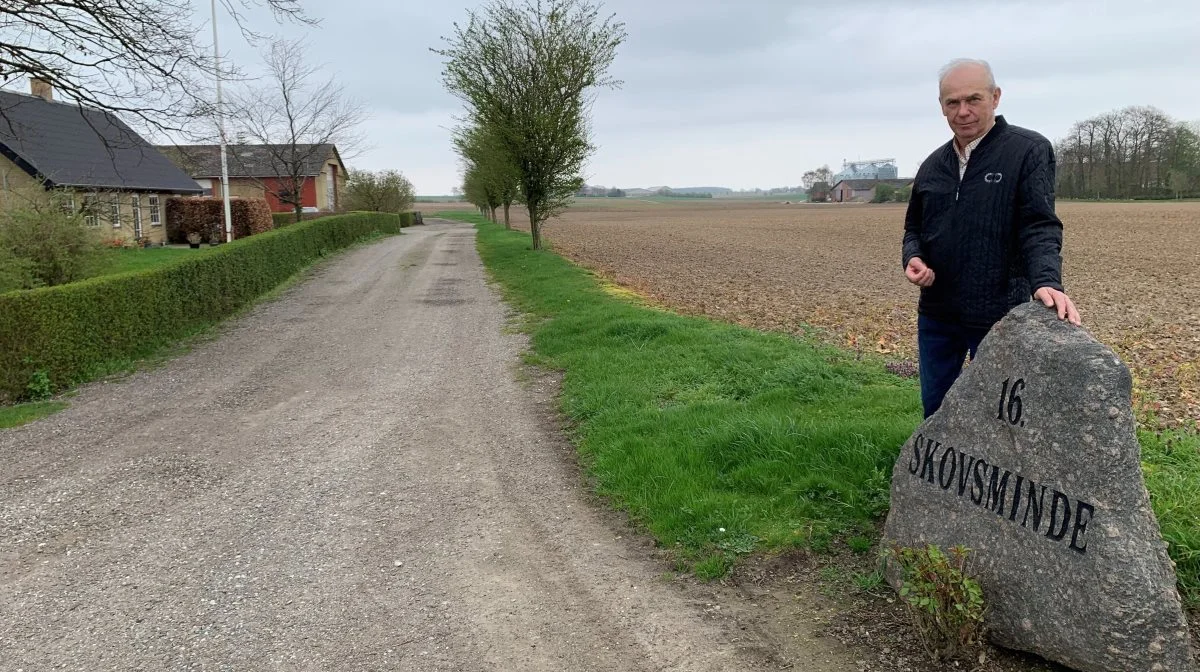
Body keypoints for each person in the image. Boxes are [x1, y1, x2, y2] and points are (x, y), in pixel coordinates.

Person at [902, 58, 1081, 418]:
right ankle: (935, 475)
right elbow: (914, 229)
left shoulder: (1027, 150)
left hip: (999, 314)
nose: (963, 111)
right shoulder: (932, 165)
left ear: (995, 97)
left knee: (1002, 421)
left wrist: (1047, 281)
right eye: (952, 102)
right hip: (937, 315)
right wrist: (913, 258)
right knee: (937, 412)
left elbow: (1039, 224)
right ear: (941, 107)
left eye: (974, 99)